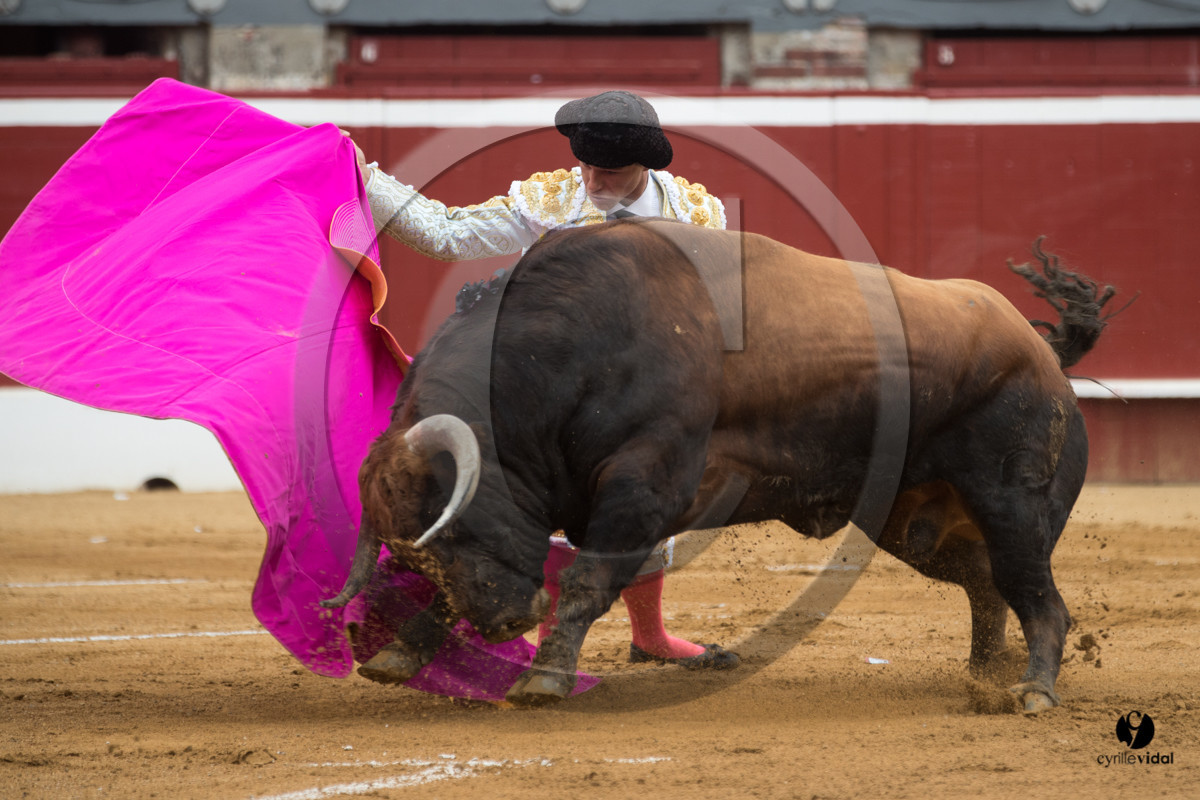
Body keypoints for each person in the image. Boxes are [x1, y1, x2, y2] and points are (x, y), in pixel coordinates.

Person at [347, 90, 738, 671]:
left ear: (646, 167)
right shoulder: (553, 198)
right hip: (542, 384)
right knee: (506, 501)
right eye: (587, 167)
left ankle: (648, 637)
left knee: (642, 503)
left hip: (635, 385)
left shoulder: (698, 217)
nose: (594, 182)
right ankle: (467, 635)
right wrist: (362, 175)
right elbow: (447, 234)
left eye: (611, 172)